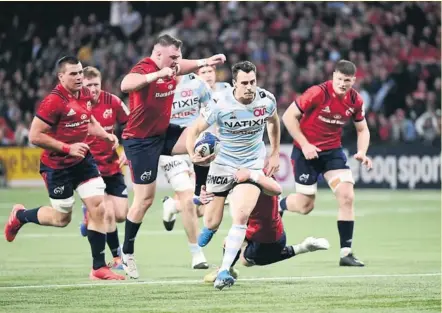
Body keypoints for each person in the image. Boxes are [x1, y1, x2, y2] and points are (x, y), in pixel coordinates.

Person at [3, 56, 124, 280]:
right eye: (73, 74)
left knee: (98, 207)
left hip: (83, 161)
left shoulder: (86, 94)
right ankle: (20, 216)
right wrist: (67, 148)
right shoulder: (53, 101)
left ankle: (98, 267)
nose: (79, 77)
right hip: (57, 167)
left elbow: (89, 122)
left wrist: (105, 135)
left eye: (80, 72)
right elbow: (35, 136)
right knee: (62, 219)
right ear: (61, 77)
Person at [119, 33, 225, 279]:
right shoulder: (146, 67)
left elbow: (184, 64)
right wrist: (156, 75)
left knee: (203, 142)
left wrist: (203, 61)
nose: (177, 62)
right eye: (173, 57)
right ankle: (128, 252)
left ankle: (200, 191)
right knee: (144, 201)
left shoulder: (173, 66)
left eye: (178, 57)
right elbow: (126, 84)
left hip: (164, 134)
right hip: (140, 141)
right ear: (158, 55)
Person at [186, 60, 281, 290]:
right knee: (211, 220)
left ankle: (224, 271)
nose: (250, 87)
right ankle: (208, 224)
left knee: (241, 214)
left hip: (251, 163)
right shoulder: (219, 103)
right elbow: (194, 131)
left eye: (253, 82)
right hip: (222, 164)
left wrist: (275, 152)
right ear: (234, 84)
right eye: (244, 83)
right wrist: (192, 155)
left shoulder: (266, 100)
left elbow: (274, 122)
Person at [281, 60, 372, 267]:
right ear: (333, 76)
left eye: (347, 81)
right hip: (305, 153)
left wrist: (362, 152)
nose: (342, 84)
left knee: (347, 196)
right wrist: (305, 145)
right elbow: (288, 117)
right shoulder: (317, 93)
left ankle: (346, 252)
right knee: (306, 206)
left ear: (353, 81)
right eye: (339, 79)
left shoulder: (355, 100)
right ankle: (280, 204)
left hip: (332, 152)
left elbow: (362, 129)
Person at [202, 168, 330, 284]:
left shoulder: (253, 185)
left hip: (265, 239)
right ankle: (226, 269)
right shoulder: (260, 177)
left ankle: (303, 247)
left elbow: (231, 200)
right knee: (234, 240)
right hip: (271, 231)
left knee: (244, 259)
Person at [159, 71, 212, 269]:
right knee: (189, 199)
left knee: (201, 206)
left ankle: (172, 206)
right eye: (204, 71)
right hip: (172, 151)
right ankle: (197, 253)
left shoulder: (201, 87)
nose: (208, 74)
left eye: (210, 71)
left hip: (198, 147)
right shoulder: (159, 85)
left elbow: (212, 116)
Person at [79, 66, 130, 270]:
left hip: (113, 166)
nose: (93, 89)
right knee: (107, 213)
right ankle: (118, 258)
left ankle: (88, 212)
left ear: (101, 84)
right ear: (82, 85)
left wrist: (127, 149)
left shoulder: (113, 101)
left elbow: (130, 123)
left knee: (120, 215)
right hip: (90, 168)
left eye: (96, 84)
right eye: (88, 85)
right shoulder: (77, 105)